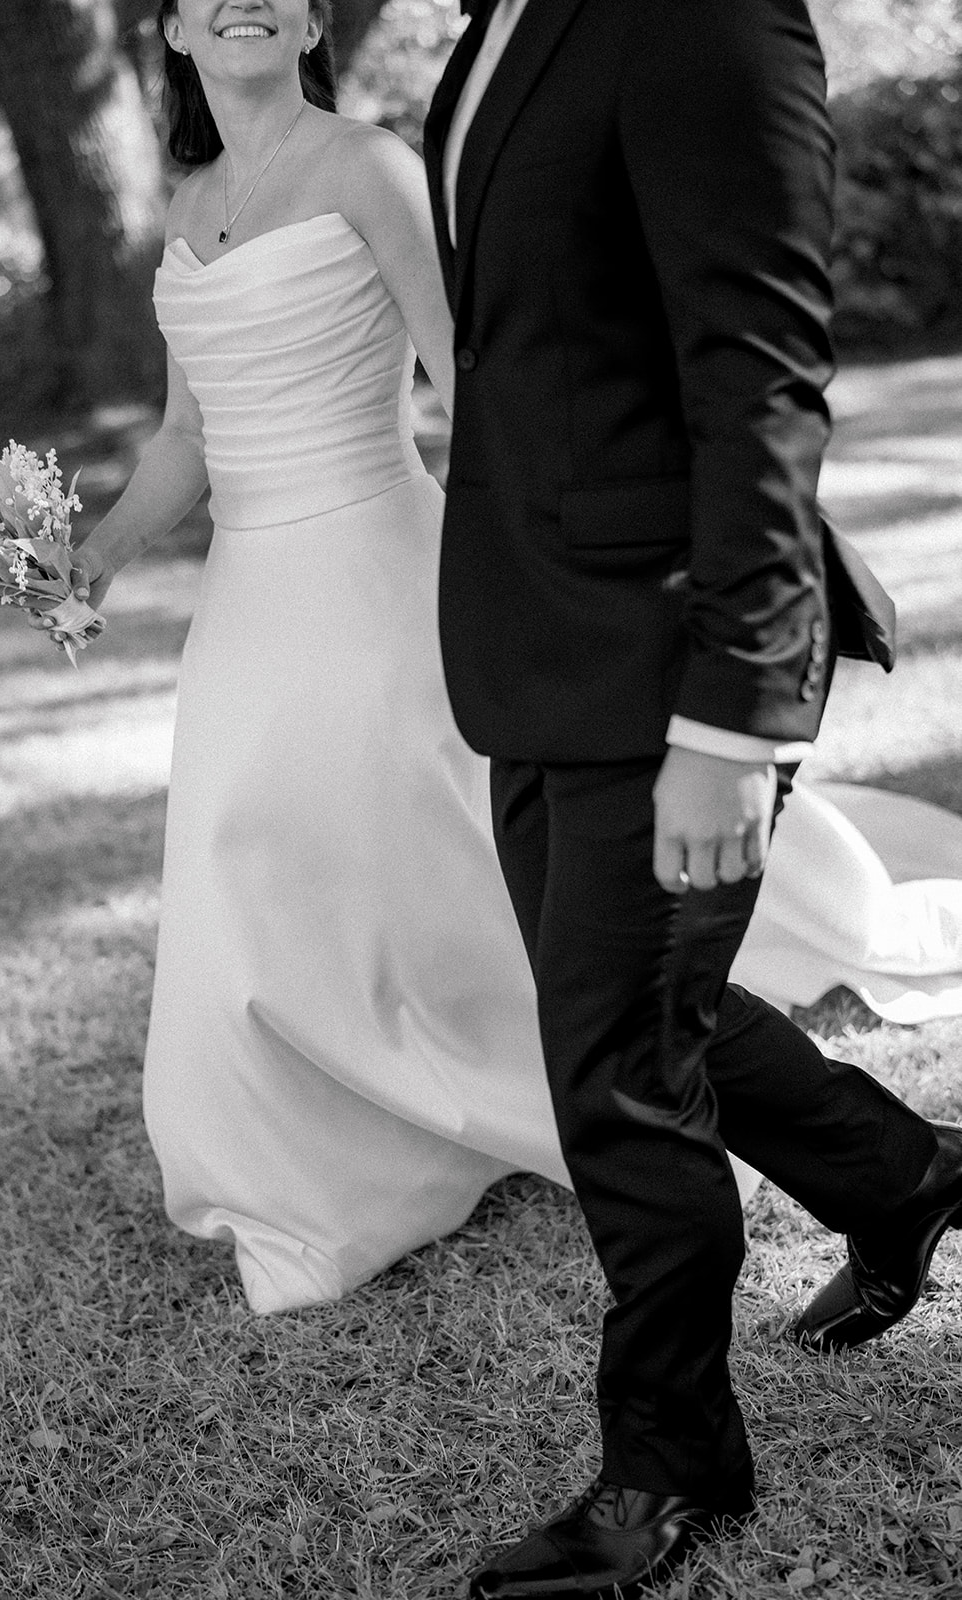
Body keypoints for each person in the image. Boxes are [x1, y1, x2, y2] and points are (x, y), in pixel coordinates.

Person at [417, 1, 962, 1596]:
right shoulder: (495, 27)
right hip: (543, 641)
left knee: (618, 1075)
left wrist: (731, 713)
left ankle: (672, 1465)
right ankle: (903, 1174)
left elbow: (765, 375)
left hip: (672, 659)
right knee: (645, 1010)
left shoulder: (701, 13)